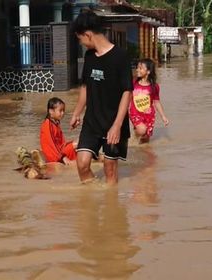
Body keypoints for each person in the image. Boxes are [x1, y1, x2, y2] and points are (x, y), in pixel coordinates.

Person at [70, 11, 133, 185]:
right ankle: (90, 205)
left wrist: (117, 126)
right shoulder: (89, 57)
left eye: (80, 38)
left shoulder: (121, 57)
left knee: (109, 170)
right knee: (82, 164)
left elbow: (127, 92)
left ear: (87, 34)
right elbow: (85, 87)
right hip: (92, 121)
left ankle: (111, 207)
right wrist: (77, 112)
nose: (81, 43)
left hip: (114, 123)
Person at [129, 58, 169, 143]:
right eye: (137, 68)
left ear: (148, 72)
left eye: (140, 68)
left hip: (149, 115)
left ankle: (141, 151)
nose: (137, 70)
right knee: (142, 130)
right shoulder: (133, 82)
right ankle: (136, 134)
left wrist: (163, 116)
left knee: (146, 139)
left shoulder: (154, 87)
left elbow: (156, 102)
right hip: (135, 113)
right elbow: (127, 96)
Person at [40, 97, 77, 165]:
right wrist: (63, 158)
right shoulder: (47, 125)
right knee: (77, 144)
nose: (63, 113)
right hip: (54, 156)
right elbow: (52, 145)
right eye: (60, 111)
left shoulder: (55, 123)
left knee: (78, 142)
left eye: (63, 110)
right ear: (51, 111)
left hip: (59, 152)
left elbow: (60, 143)